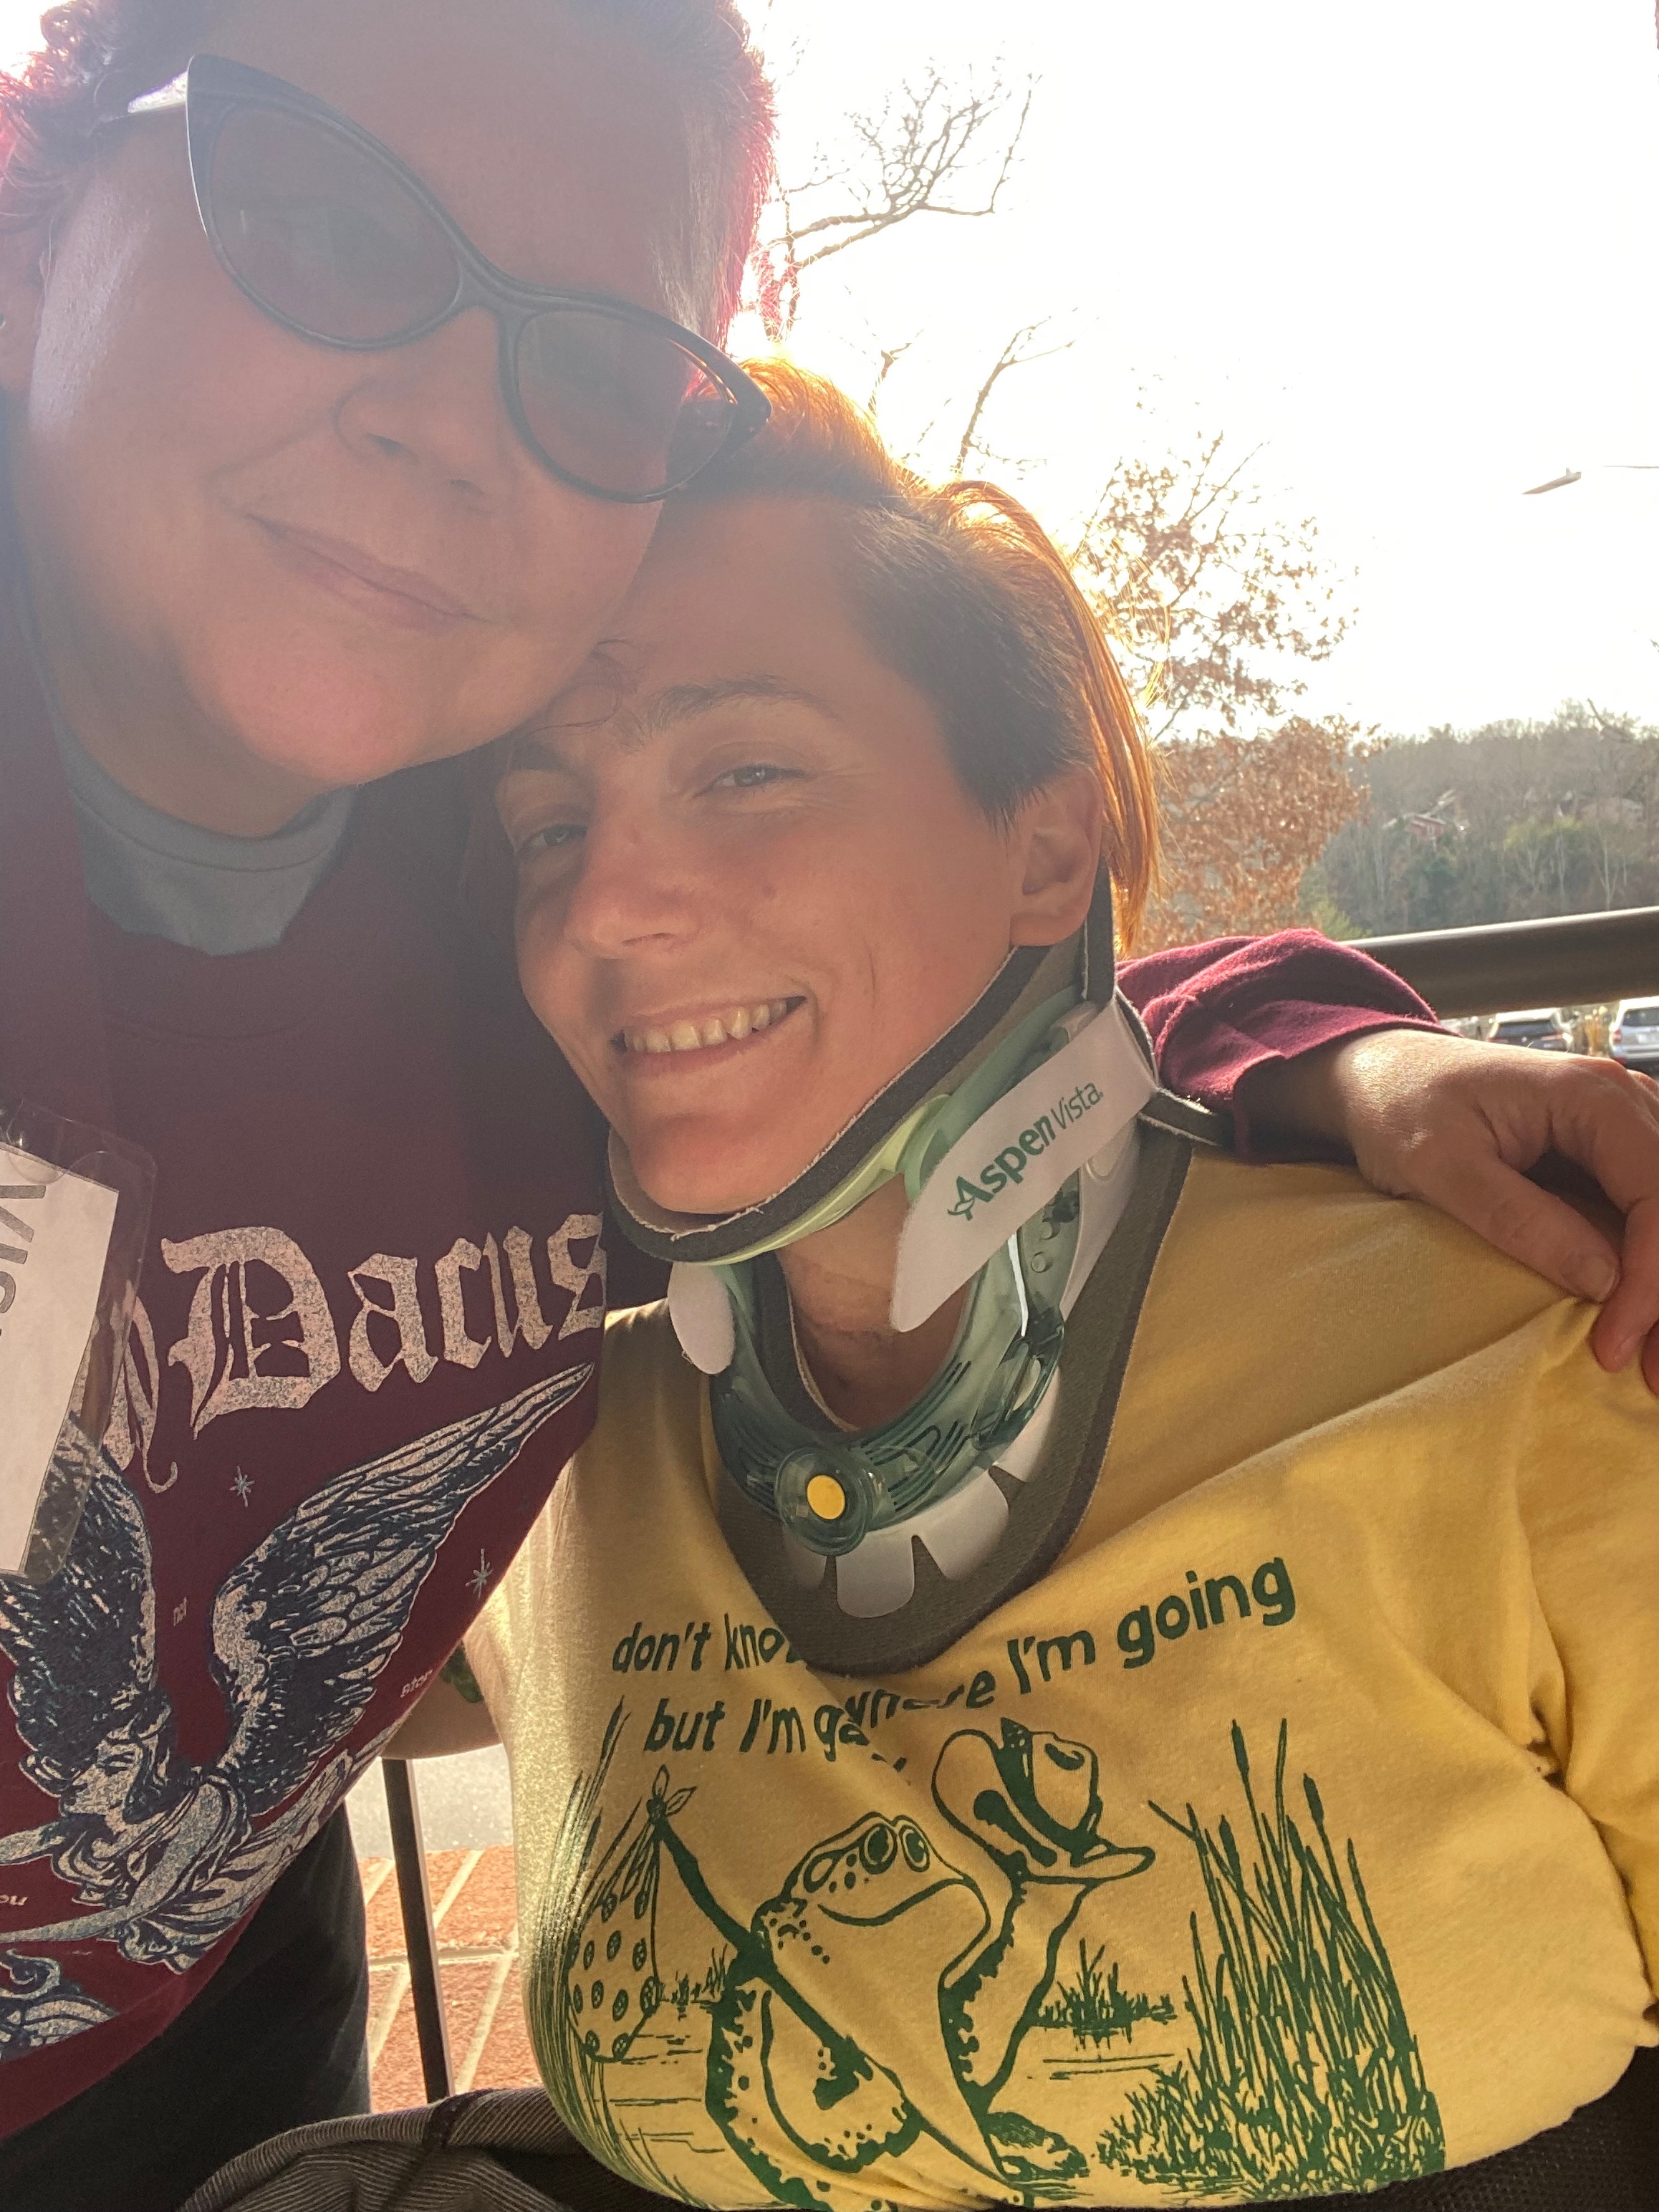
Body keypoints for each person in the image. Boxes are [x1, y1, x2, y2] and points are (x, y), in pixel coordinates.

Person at [0, 8, 1655, 2206]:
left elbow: (884, 996)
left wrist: (1335, 1050)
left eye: (591, 357)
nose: (610, 906)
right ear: (40, 213)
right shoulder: (577, 1293)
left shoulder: (440, 874)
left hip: (206, 2038)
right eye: (309, 215)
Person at [393, 365, 1651, 2212]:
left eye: (744, 772)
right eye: (547, 828)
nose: (603, 907)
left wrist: (1325, 1054)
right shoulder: (542, 1454)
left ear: (1047, 848)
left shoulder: (1532, 1347)